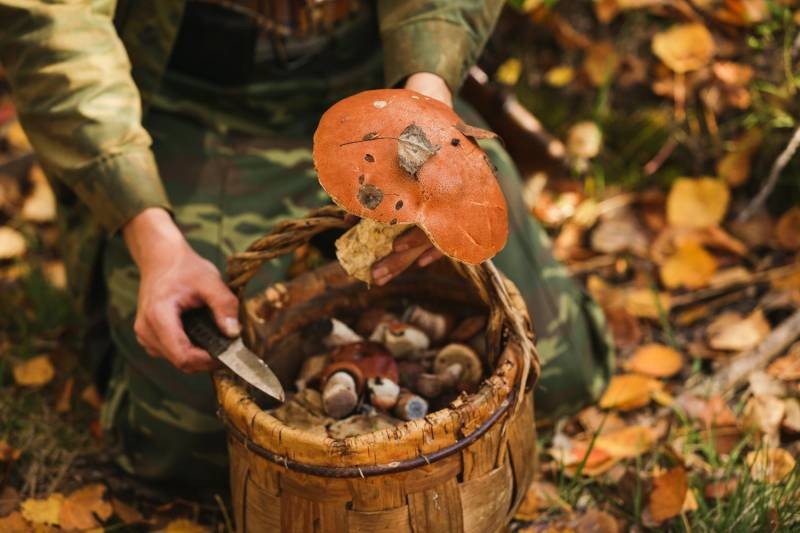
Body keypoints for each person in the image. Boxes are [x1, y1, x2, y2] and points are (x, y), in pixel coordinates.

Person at [1, 0, 613, 486]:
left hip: (379, 76)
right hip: (198, 103)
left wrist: (424, 108)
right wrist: (150, 235)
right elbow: (54, 28)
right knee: (198, 439)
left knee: (552, 374)